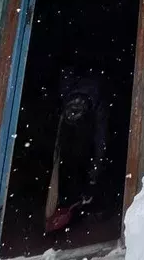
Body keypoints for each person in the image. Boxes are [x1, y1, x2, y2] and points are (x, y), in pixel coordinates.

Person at [44, 67, 109, 233]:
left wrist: (94, 174)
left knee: (77, 164)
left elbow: (100, 141)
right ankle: (71, 204)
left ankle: (78, 204)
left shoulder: (94, 103)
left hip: (82, 139)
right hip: (74, 139)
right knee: (71, 164)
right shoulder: (70, 92)